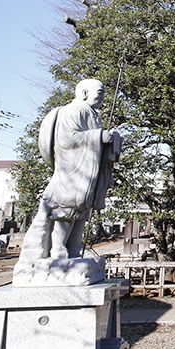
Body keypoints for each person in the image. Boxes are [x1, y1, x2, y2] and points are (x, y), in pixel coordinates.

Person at [20, 79, 121, 263]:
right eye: (99, 92)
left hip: (87, 172)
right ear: (84, 93)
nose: (102, 97)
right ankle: (57, 247)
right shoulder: (73, 111)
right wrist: (98, 136)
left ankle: (74, 248)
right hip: (72, 171)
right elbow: (67, 139)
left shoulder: (93, 114)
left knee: (82, 212)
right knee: (66, 210)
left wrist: (109, 140)